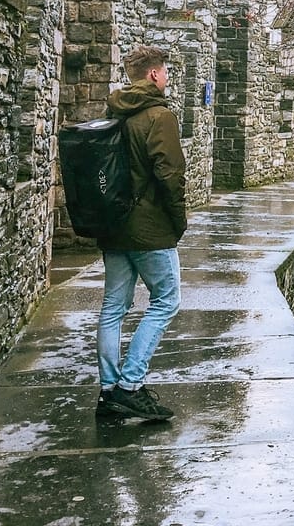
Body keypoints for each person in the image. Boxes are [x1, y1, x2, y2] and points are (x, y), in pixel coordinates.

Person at [94, 45, 187, 421]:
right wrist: (177, 221)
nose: (166, 78)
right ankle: (130, 385)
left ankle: (107, 390)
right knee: (167, 299)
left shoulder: (113, 110)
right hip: (149, 228)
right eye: (165, 72)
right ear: (153, 75)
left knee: (113, 307)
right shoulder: (158, 116)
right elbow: (170, 175)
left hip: (113, 224)